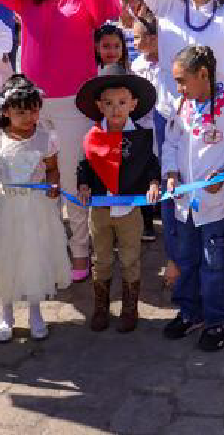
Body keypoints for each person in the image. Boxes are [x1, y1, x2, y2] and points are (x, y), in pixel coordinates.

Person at [0, 0, 118, 282]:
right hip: (31, 108)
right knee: (36, 184)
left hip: (73, 105)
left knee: (70, 182)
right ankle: (46, 254)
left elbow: (104, 11)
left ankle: (81, 252)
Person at [162, 45, 224, 352]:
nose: (179, 88)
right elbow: (171, 143)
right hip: (184, 205)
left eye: (182, 80)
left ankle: (217, 320)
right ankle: (190, 312)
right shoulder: (182, 105)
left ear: (203, 74)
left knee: (213, 266)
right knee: (186, 261)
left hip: (215, 208)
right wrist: (171, 172)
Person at [0, 74, 71, 342]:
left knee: (33, 256)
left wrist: (53, 186)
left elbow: (52, 170)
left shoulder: (46, 138)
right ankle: (6, 312)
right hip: (3, 207)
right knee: (4, 257)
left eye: (33, 110)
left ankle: (35, 311)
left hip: (35, 209)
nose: (29, 116)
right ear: (6, 112)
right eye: (21, 112)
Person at [76, 66, 161, 333]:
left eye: (122, 103)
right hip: (100, 212)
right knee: (101, 259)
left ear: (133, 104)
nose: (116, 109)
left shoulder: (141, 137)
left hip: (129, 212)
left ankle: (129, 309)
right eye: (109, 103)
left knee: (130, 259)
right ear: (99, 106)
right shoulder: (92, 137)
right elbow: (85, 166)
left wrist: (154, 182)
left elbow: (151, 165)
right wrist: (83, 184)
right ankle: (100, 308)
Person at [130, 15, 165, 242]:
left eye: (137, 37)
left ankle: (164, 205)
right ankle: (147, 219)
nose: (133, 43)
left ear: (153, 38)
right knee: (145, 169)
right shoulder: (136, 65)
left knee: (164, 164)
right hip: (141, 125)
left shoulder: (168, 62)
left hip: (164, 122)